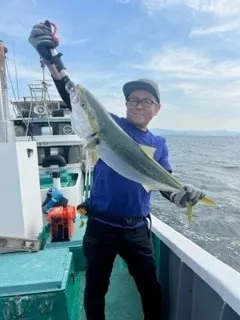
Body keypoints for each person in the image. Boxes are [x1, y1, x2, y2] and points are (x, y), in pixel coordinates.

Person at [29, 22, 205, 320]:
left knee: (151, 290)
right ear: (125, 104)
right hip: (101, 226)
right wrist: (51, 57)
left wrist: (184, 195)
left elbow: (164, 184)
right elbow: (73, 97)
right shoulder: (110, 127)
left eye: (146, 100)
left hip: (137, 228)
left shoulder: (158, 144)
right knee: (95, 289)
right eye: (133, 100)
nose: (139, 104)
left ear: (157, 108)